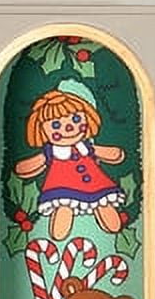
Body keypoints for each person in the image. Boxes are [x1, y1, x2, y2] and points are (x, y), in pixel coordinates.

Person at [13, 87, 126, 242]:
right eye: (56, 125)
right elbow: (26, 168)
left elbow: (115, 154)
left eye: (76, 119)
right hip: (62, 187)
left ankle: (111, 223)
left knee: (106, 208)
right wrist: (23, 167)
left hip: (96, 185)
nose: (69, 127)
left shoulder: (85, 147)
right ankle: (59, 233)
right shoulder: (52, 152)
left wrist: (114, 154)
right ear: (41, 130)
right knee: (63, 209)